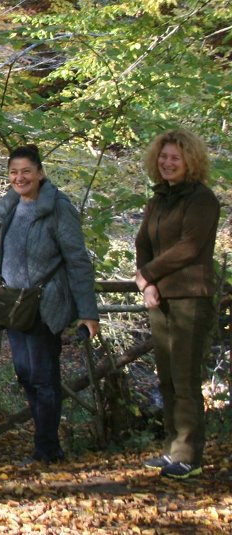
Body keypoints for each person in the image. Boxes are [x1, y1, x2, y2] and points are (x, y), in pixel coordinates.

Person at [0, 145, 99, 464]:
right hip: (15, 304)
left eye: (26, 171)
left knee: (43, 376)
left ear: (40, 173)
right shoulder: (10, 207)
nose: (19, 177)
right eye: (13, 172)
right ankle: (44, 443)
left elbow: (78, 260)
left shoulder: (58, 208)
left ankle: (48, 449)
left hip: (45, 303)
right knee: (25, 374)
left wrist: (87, 312)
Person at [135, 129, 220, 480]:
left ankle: (188, 455)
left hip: (190, 298)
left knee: (185, 377)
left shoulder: (202, 200)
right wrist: (147, 281)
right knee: (166, 376)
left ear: (190, 162)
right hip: (160, 297)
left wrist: (147, 276)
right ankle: (172, 449)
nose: (167, 163)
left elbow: (188, 247)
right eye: (163, 156)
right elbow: (143, 242)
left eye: (175, 158)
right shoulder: (158, 199)